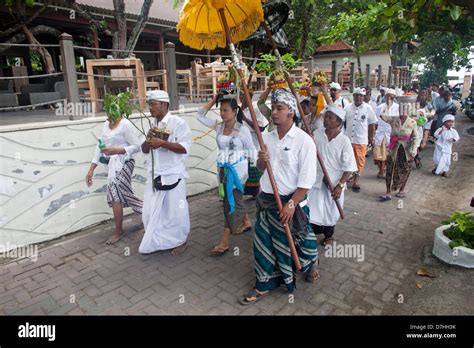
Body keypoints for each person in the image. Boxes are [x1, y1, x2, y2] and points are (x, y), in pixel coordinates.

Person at [240, 88, 318, 305]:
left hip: (292, 204)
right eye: (273, 108)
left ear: (291, 112)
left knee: (303, 244)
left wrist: (291, 204)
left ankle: (312, 262)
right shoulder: (267, 137)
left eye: (279, 108)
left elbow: (307, 180)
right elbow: (260, 168)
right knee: (263, 244)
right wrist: (262, 161)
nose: (274, 112)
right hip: (266, 202)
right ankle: (264, 283)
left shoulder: (304, 141)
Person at [197, 93, 257, 255]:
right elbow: (199, 115)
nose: (222, 114)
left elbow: (252, 151)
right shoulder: (219, 126)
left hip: (238, 172)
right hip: (223, 169)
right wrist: (214, 98)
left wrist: (260, 169)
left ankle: (224, 241)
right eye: (221, 110)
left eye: (225, 110)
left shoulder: (242, 130)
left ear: (234, 111)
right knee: (233, 198)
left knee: (230, 203)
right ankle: (246, 221)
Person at [139, 90, 192, 255]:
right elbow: (144, 150)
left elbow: (185, 148)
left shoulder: (178, 123)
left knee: (176, 212)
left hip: (173, 174)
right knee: (149, 210)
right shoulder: (151, 124)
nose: (150, 108)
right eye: (149, 104)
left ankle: (181, 240)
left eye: (153, 104)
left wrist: (163, 143)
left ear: (164, 104)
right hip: (154, 174)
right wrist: (148, 140)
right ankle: (159, 241)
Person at [86, 111, 143, 245]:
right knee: (119, 194)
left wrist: (117, 150)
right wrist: (91, 169)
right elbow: (100, 144)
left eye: (111, 110)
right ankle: (149, 211)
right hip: (112, 166)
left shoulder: (126, 124)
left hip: (125, 163)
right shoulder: (106, 124)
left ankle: (119, 231)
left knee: (115, 194)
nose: (108, 114)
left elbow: (137, 146)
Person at [308, 105, 357, 246]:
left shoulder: (344, 141)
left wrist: (340, 185)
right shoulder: (317, 134)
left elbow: (349, 168)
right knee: (313, 208)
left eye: (330, 117)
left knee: (331, 211)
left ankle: (329, 236)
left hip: (334, 183)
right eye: (326, 116)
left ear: (339, 122)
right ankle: (310, 234)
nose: (326, 119)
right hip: (317, 180)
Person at [379, 101, 421, 201]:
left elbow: (416, 137)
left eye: (406, 109)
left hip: (407, 150)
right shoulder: (393, 119)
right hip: (394, 148)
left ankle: (401, 189)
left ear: (409, 111)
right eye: (401, 109)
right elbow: (382, 115)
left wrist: (414, 150)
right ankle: (388, 192)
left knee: (405, 169)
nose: (403, 112)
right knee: (390, 169)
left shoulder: (412, 122)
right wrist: (387, 104)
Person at [344, 87, 377, 192]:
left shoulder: (368, 108)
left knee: (359, 162)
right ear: (353, 96)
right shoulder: (348, 107)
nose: (358, 97)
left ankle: (356, 180)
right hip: (348, 139)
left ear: (363, 97)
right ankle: (347, 177)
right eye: (356, 95)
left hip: (361, 140)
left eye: (360, 96)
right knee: (347, 160)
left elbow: (372, 124)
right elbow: (342, 121)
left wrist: (371, 138)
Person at [239, 90, 268, 197]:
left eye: (244, 96)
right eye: (241, 96)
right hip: (241, 145)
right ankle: (244, 191)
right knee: (244, 170)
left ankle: (257, 192)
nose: (242, 98)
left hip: (253, 143)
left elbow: (260, 128)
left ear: (249, 98)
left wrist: (245, 119)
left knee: (255, 169)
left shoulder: (255, 110)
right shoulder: (238, 109)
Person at [373, 88, 398, 178]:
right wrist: (373, 134)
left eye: (391, 96)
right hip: (380, 133)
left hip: (391, 134)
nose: (389, 98)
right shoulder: (379, 107)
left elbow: (398, 122)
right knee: (378, 154)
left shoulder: (397, 107)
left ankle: (387, 170)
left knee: (389, 155)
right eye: (388, 96)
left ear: (394, 97)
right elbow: (375, 122)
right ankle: (381, 170)